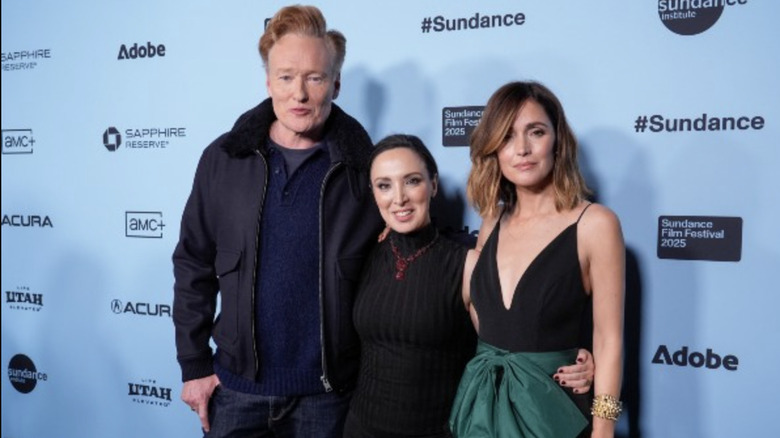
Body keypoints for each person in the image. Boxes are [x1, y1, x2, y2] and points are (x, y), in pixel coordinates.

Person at [172, 5, 383, 437]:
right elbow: (193, 262)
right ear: (268, 82)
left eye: (315, 78)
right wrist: (194, 364)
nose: (299, 94)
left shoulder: (368, 170)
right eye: (286, 77)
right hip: (236, 391)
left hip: (328, 398)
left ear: (336, 85)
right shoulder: (224, 159)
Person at [344, 134, 597, 438]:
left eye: (412, 181)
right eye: (384, 185)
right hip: (360, 428)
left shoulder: (466, 263)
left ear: (433, 185)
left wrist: (570, 362)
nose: (399, 198)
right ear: (373, 193)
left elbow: (512, 344)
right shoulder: (363, 253)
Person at [450, 81, 625, 438]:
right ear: (494, 149)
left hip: (551, 417)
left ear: (557, 141)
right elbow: (493, 323)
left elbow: (609, 339)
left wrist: (604, 429)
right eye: (508, 136)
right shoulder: (490, 223)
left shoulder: (595, 224)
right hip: (481, 410)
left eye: (537, 132)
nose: (523, 149)